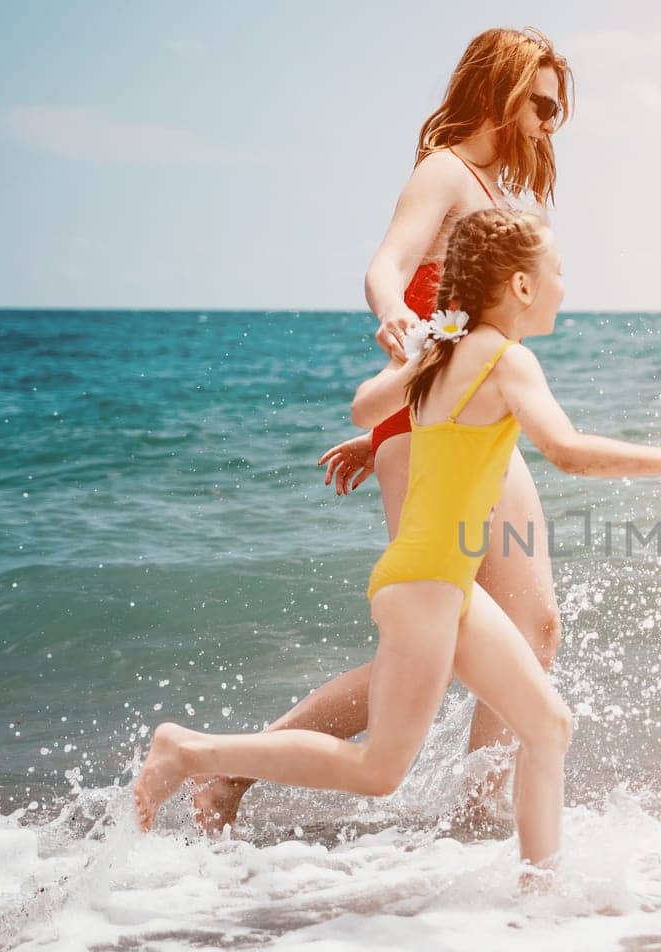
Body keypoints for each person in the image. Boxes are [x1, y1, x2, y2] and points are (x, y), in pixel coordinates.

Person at [134, 208, 661, 879]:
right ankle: (192, 753)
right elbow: (567, 453)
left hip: (438, 582)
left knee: (547, 726)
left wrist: (424, 352)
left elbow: (367, 408)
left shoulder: (448, 353)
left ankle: (543, 895)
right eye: (556, 273)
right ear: (522, 287)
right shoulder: (509, 360)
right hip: (426, 585)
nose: (565, 286)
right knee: (378, 771)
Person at [190, 28, 574, 833]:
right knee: (436, 646)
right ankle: (231, 766)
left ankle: (478, 810)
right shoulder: (444, 172)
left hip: (455, 423)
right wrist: (395, 317)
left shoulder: (493, 195)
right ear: (500, 93)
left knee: (530, 626)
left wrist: (390, 428)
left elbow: (465, 337)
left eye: (553, 108)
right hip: (431, 432)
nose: (547, 123)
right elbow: (388, 267)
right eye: (538, 104)